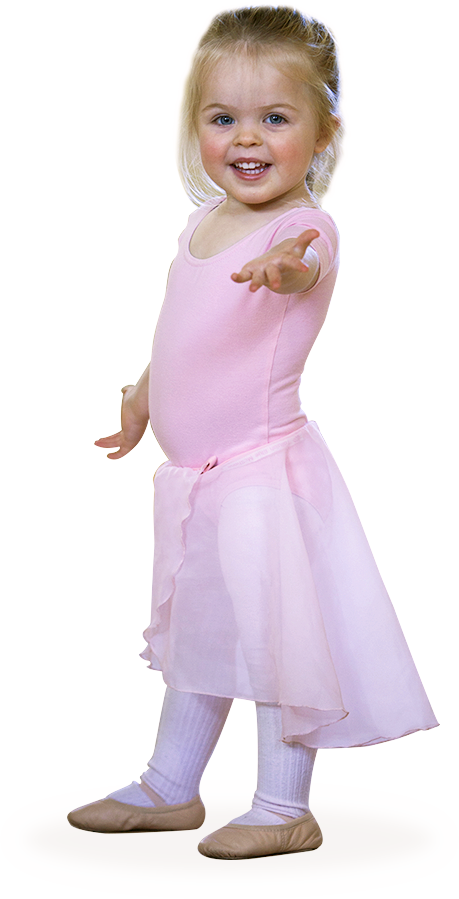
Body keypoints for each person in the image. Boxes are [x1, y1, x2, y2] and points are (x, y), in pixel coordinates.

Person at [67, 5, 438, 859]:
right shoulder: (200, 223)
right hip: (197, 479)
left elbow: (303, 263)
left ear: (323, 132)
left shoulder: (303, 228)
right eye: (222, 117)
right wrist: (144, 396)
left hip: (261, 476)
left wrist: (286, 269)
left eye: (274, 117)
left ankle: (281, 804)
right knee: (202, 633)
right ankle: (169, 783)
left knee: (276, 643)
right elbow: (185, 332)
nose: (246, 138)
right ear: (194, 124)